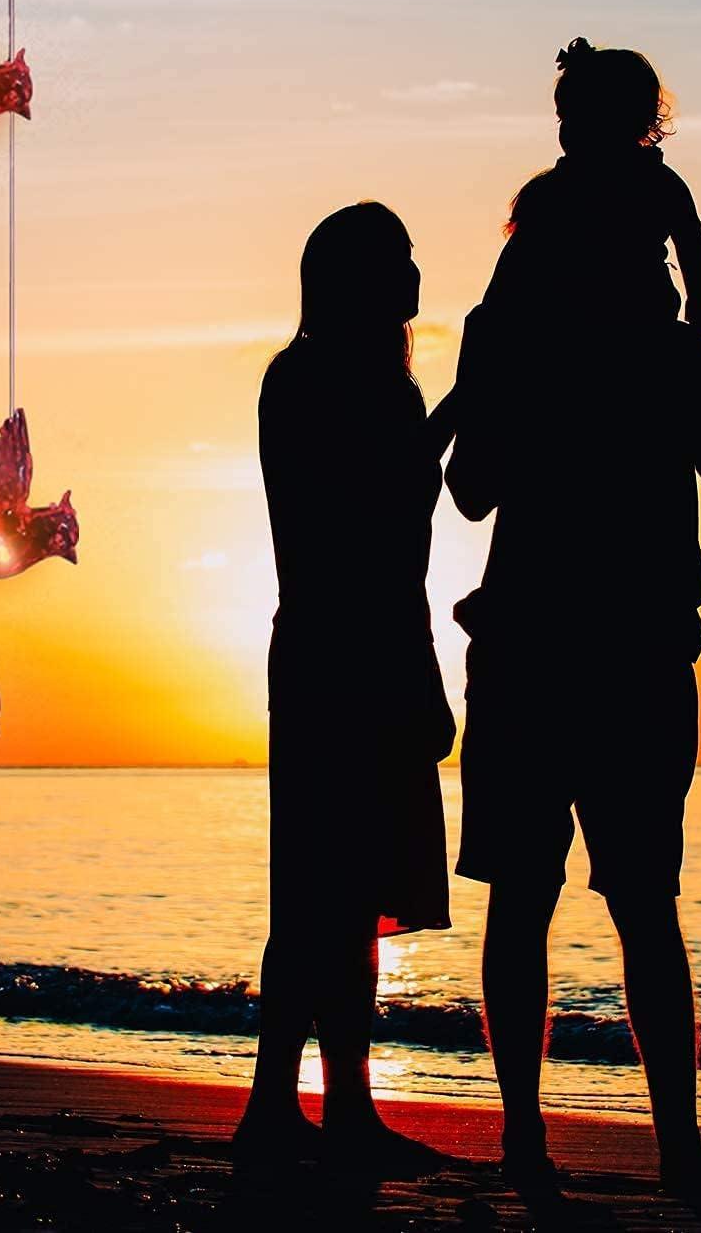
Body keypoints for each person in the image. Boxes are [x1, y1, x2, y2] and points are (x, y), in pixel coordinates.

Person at [445, 197, 701, 1204]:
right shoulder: (671, 356)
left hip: (528, 658)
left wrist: (490, 372)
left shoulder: (525, 355)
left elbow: (468, 492)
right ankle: (677, 1149)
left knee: (521, 903)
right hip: (635, 662)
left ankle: (524, 1145)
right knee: (643, 906)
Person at [234, 201, 457, 1173]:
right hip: (336, 662)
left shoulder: (356, 384)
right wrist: (464, 405)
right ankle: (281, 1106)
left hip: (359, 656)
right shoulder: (312, 381)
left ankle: (342, 1107)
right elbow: (379, 516)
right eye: (400, 261)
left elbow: (400, 533)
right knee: (319, 896)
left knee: (349, 891)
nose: (416, 275)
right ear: (361, 278)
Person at [484, 36, 701, 336]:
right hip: (566, 322)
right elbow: (514, 264)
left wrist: (698, 300)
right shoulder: (550, 193)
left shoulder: (656, 184)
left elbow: (690, 239)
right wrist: (493, 312)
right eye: (563, 119)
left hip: (642, 320)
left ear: (628, 121)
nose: (568, 130)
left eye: (583, 118)